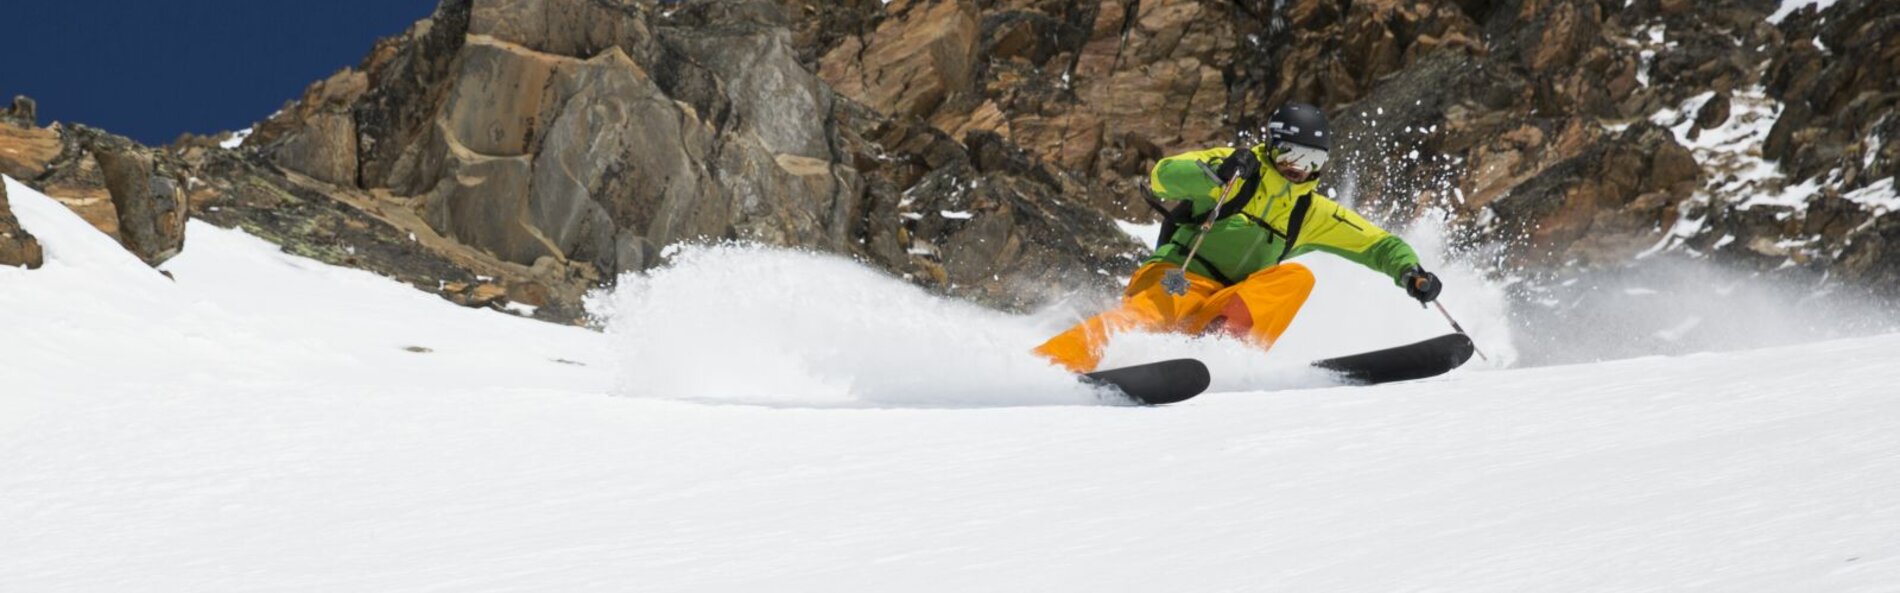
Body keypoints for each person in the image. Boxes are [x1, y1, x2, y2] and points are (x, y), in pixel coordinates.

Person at [1035, 102, 1443, 373]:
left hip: (1227, 305)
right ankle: (1047, 367)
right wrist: (1216, 173)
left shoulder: (1309, 211)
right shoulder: (1235, 171)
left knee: (1297, 277)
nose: (1299, 168)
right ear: (1273, 146)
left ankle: (1218, 348)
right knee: (1133, 324)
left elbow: (1375, 244)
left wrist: (1410, 272)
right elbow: (1162, 175)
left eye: (1312, 160)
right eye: (1291, 156)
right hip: (1178, 280)